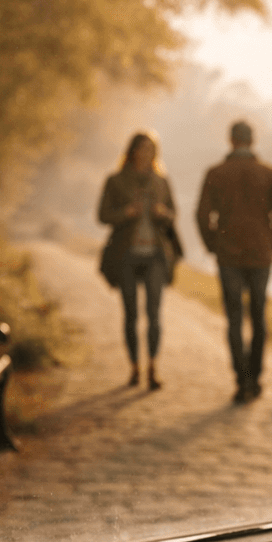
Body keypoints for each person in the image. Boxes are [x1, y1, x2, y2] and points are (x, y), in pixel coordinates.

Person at [195, 120, 272, 403]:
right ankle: (256, 376)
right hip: (261, 254)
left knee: (235, 318)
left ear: (230, 140)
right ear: (253, 140)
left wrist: (212, 244)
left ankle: (241, 379)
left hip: (228, 254)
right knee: (259, 317)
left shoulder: (216, 173)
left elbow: (202, 215)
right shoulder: (270, 174)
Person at [98, 131, 182, 391]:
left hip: (156, 255)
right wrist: (126, 213)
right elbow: (102, 215)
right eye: (143, 148)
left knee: (154, 314)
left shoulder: (162, 181)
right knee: (131, 314)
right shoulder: (116, 181)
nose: (147, 153)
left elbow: (173, 214)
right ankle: (135, 367)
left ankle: (153, 367)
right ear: (132, 151)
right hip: (126, 255)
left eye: (152, 149)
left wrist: (163, 213)